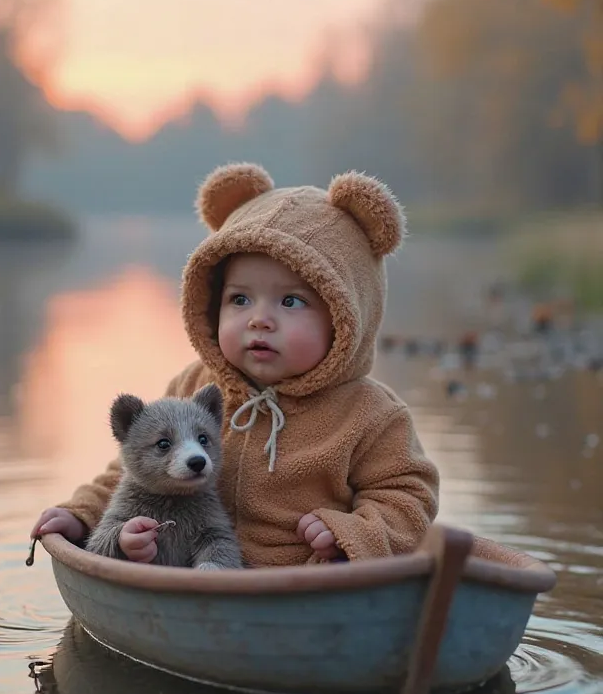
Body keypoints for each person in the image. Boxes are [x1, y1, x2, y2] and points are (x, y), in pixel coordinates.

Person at [30, 164, 439, 566]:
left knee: (464, 558)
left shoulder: (369, 413)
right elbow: (129, 469)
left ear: (348, 316)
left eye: (291, 301)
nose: (259, 319)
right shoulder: (194, 385)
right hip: (198, 575)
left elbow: (407, 497)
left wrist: (351, 533)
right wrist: (81, 514)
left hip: (305, 585)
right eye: (240, 299)